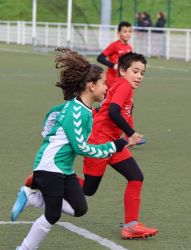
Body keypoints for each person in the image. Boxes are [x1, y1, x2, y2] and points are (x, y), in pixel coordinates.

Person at [10, 48, 131, 250]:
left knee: (79, 208)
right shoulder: (77, 112)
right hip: (50, 166)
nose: (107, 88)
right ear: (92, 86)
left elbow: (53, 114)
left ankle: (30, 196)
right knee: (52, 215)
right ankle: (24, 248)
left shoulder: (83, 108)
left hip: (64, 168)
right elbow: (82, 148)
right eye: (104, 84)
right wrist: (113, 146)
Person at [81, 52, 159, 239]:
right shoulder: (123, 85)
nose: (139, 76)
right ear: (123, 71)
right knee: (88, 190)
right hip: (99, 143)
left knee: (135, 177)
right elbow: (113, 113)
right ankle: (44, 178)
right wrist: (131, 134)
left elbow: (114, 112)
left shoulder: (123, 87)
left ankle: (130, 226)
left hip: (114, 144)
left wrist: (128, 135)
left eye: (142, 73)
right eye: (135, 71)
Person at [97, 21, 133, 88]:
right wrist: (113, 65)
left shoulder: (130, 48)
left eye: (130, 32)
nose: (128, 34)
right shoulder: (114, 45)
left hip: (123, 80)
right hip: (112, 81)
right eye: (125, 32)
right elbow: (100, 58)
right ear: (118, 33)